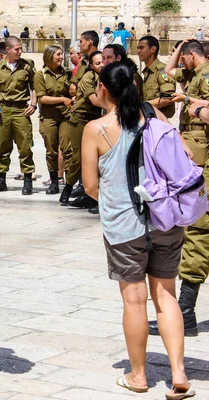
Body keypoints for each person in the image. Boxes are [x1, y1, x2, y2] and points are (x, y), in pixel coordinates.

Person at [81, 61, 196, 400]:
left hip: (125, 226)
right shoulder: (153, 116)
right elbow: (184, 153)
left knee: (134, 300)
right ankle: (178, 374)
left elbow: (89, 185)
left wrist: (115, 200)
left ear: (103, 89)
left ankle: (138, 375)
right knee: (166, 296)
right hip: (166, 220)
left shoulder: (96, 129)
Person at [148, 39, 209, 338]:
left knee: (198, 232)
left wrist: (193, 107)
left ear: (192, 57)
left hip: (205, 165)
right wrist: (179, 48)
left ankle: (185, 312)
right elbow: (168, 74)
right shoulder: (193, 75)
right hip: (196, 164)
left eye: (183, 56)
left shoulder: (206, 77)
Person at [0, 36, 37, 195]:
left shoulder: (27, 66)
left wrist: (33, 104)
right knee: (2, 146)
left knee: (25, 146)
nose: (20, 52)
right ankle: (1, 179)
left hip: (21, 110)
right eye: (16, 49)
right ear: (7, 50)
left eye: (21, 49)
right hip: (4, 110)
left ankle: (27, 179)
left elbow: (35, 87)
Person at [60, 51, 103, 209]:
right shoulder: (88, 78)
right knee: (78, 157)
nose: (101, 65)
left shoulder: (105, 77)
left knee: (96, 158)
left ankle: (90, 194)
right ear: (91, 66)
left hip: (96, 119)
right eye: (97, 63)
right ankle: (68, 188)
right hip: (81, 118)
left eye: (103, 62)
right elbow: (95, 100)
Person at [34, 45, 73, 195]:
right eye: (58, 54)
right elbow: (42, 98)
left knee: (68, 149)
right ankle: (54, 182)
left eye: (61, 54)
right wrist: (63, 99)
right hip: (48, 117)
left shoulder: (66, 74)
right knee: (51, 151)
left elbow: (72, 89)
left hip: (65, 116)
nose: (61, 57)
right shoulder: (41, 75)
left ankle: (69, 184)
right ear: (49, 56)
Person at [137, 35, 177, 119]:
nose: (138, 51)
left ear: (153, 49)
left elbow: (168, 98)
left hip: (160, 121)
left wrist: (142, 106)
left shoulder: (162, 71)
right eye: (138, 48)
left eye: (141, 48)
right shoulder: (147, 72)